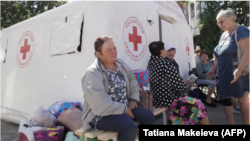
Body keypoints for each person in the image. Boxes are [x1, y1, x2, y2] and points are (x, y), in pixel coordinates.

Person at [81, 35, 155, 141]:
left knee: (149, 117)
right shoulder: (93, 73)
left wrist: (133, 99)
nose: (113, 52)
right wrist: (124, 109)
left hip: (123, 107)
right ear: (98, 54)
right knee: (129, 127)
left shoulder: (120, 64)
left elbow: (132, 79)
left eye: (114, 48)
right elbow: (99, 103)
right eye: (109, 50)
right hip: (101, 115)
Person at [147, 41, 209, 125]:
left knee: (185, 104)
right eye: (165, 49)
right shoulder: (166, 63)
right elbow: (178, 85)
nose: (167, 51)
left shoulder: (151, 62)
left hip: (157, 99)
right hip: (168, 99)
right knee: (198, 103)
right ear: (161, 51)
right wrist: (183, 92)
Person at [206, 10, 249, 125]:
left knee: (242, 99)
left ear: (231, 19)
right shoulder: (224, 35)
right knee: (225, 98)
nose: (219, 25)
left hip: (238, 72)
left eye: (221, 21)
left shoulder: (241, 30)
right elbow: (221, 55)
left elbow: (247, 52)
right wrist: (213, 69)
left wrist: (239, 70)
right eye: (218, 22)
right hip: (224, 72)